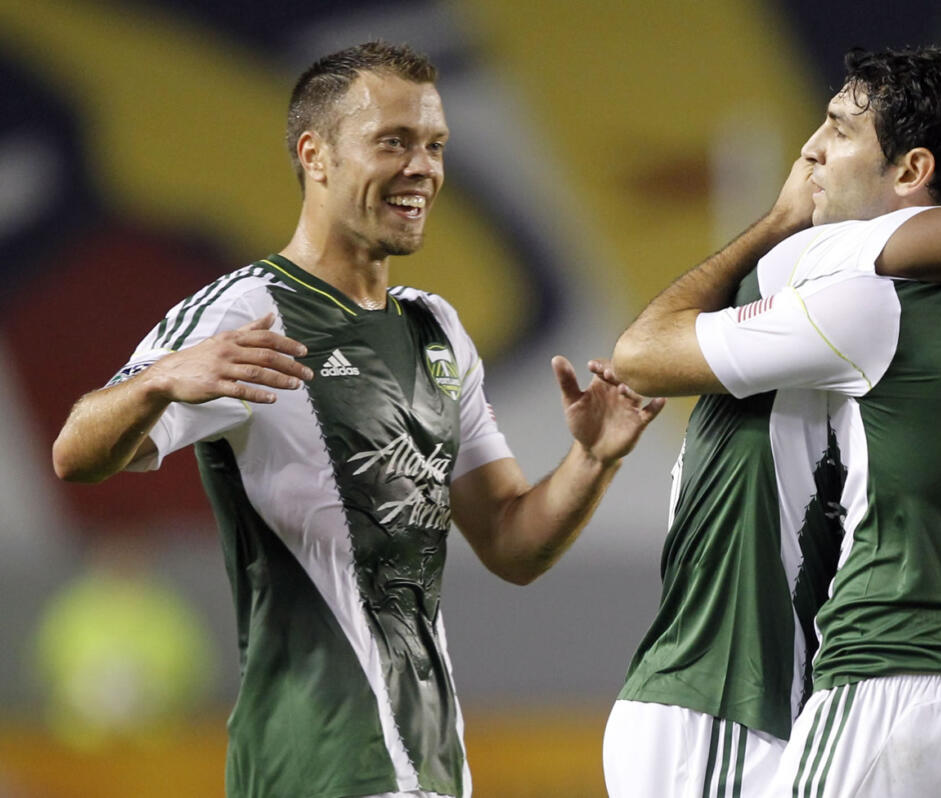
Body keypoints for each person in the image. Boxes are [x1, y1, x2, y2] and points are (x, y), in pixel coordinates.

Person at [51, 42, 663, 798]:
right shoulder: (247, 311)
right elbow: (76, 452)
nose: (423, 168)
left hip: (435, 769)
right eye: (394, 142)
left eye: (434, 145)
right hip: (317, 768)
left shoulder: (436, 330)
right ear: (317, 155)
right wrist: (157, 381)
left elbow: (512, 542)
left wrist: (592, 460)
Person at [602, 45, 941, 797]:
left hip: (786, 700)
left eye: (839, 130)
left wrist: (778, 220)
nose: (809, 149)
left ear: (911, 172)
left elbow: (638, 355)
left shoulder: (845, 274)